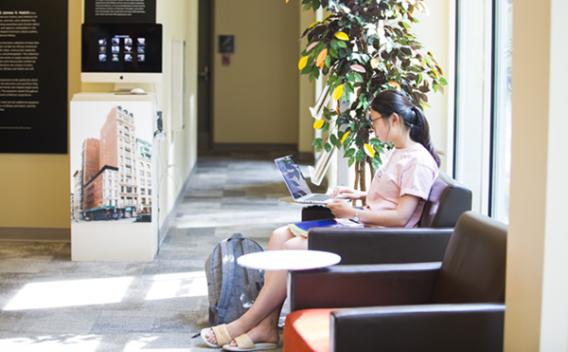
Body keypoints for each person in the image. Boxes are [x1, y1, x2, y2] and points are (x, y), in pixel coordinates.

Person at [200, 90, 440, 351]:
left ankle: (245, 323)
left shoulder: (418, 161)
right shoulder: (399, 151)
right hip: (364, 229)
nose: (372, 128)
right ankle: (267, 327)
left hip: (377, 242)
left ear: (393, 119)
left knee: (291, 250)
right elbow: (393, 197)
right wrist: (358, 194)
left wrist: (352, 212)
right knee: (280, 236)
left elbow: (402, 216)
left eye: (374, 120)